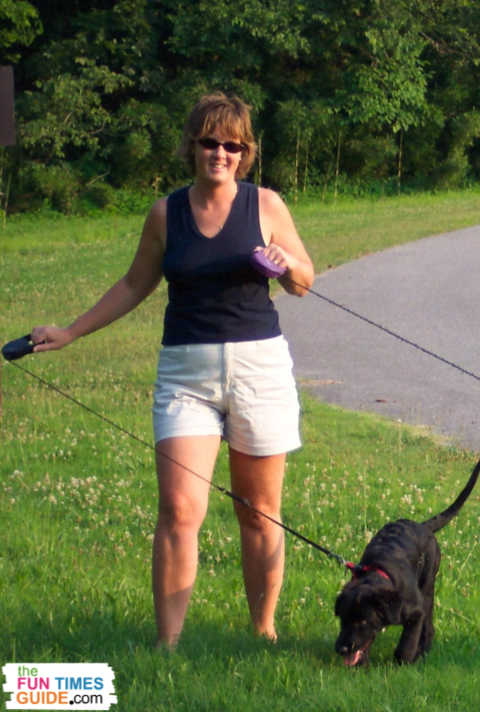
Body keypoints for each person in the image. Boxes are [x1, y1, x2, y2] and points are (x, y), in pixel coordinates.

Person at [29, 92, 315, 649]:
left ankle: (262, 632)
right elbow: (135, 283)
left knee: (258, 511)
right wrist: (69, 332)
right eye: (211, 141)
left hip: (260, 371)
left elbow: (304, 281)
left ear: (245, 153)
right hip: (186, 374)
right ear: (192, 146)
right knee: (180, 508)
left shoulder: (267, 205)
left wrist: (287, 265)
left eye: (233, 145)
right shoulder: (166, 213)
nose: (221, 153)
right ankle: (168, 648)